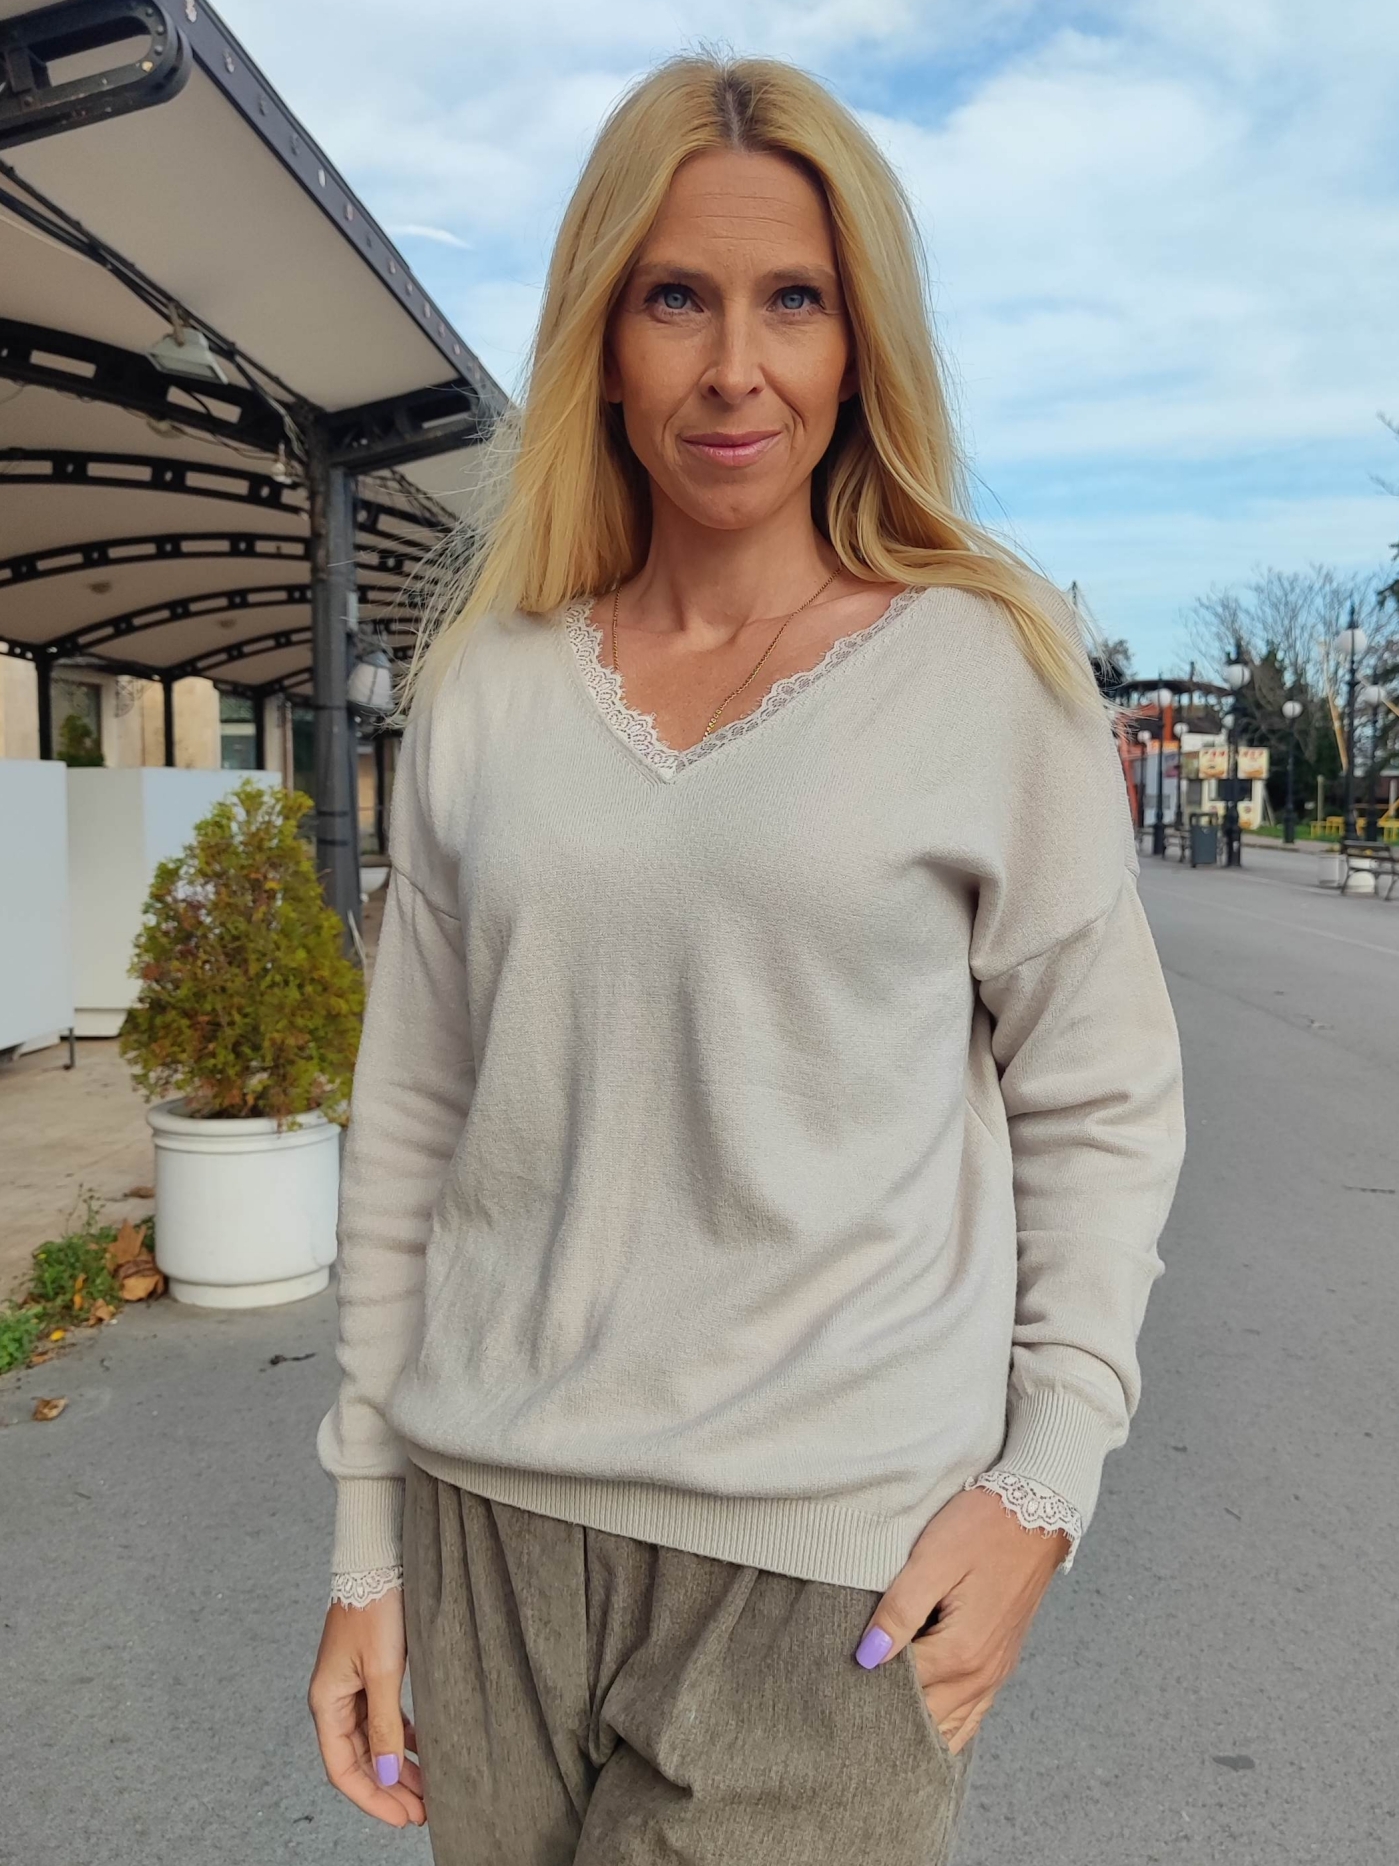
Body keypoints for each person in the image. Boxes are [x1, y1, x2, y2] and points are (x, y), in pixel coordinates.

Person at [308, 51, 1185, 1866]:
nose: (734, 366)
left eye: (794, 299)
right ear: (601, 338)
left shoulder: (984, 673)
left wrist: (1046, 1483)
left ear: (860, 345)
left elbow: (1102, 1101)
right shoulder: (487, 690)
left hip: (825, 1580)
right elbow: (410, 1135)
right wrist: (366, 1548)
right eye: (675, 299)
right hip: (486, 1546)